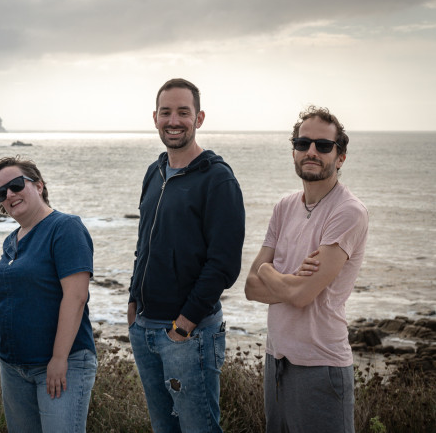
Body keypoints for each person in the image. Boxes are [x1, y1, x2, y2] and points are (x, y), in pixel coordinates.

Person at [128, 78, 245, 433]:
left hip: (187, 335)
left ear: (200, 117)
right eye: (166, 112)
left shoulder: (218, 179)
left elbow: (223, 263)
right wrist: (133, 300)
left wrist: (185, 324)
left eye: (183, 112)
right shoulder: (155, 171)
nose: (173, 120)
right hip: (145, 328)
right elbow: (144, 242)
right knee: (164, 428)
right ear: (155, 118)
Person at [245, 107, 368, 433]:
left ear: (340, 157)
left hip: (321, 367)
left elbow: (300, 295)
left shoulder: (348, 211)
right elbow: (249, 287)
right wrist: (284, 278)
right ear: (294, 150)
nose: (311, 151)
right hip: (276, 362)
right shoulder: (284, 206)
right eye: (303, 143)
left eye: (323, 146)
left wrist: (268, 271)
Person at [0, 156, 97, 433]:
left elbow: (76, 296)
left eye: (15, 185)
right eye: (1, 193)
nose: (9, 195)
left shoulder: (65, 227)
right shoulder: (12, 240)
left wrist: (59, 359)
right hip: (13, 366)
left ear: (39, 185)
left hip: (60, 363)